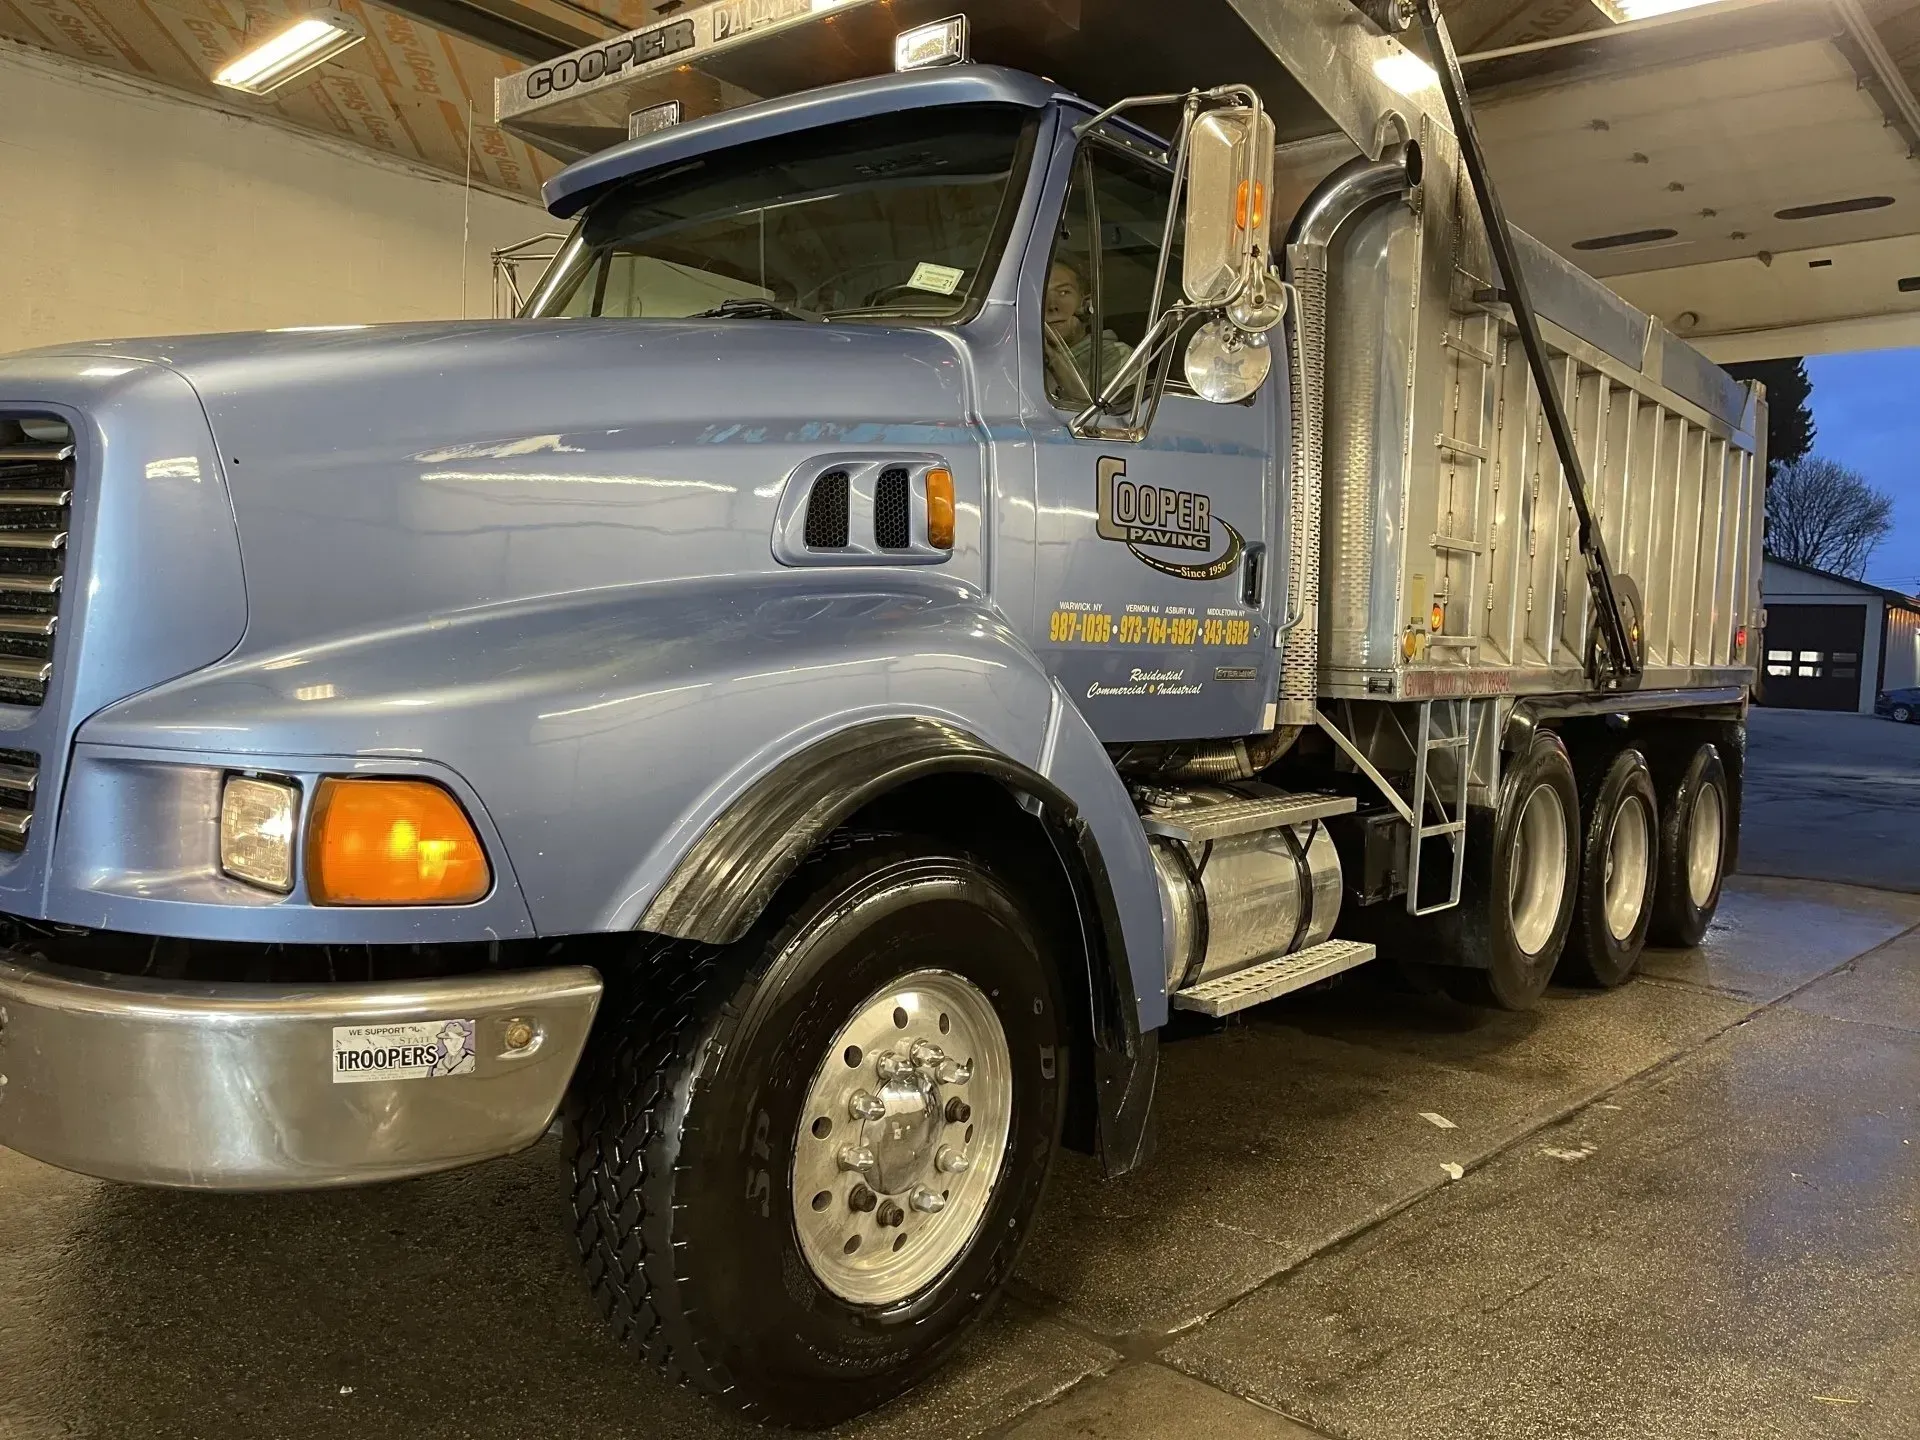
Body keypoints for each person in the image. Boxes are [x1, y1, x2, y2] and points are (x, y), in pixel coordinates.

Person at [1043, 259, 1134, 401]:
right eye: (1042, 296)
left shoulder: (1115, 356)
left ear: (1087, 304)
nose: (1052, 306)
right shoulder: (1017, 357)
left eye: (1063, 293)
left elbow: (1097, 416)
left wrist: (1054, 359)